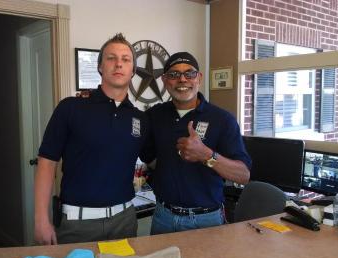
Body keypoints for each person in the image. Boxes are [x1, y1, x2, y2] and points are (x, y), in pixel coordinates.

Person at [34, 33, 148, 245]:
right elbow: (47, 162)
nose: (118, 64)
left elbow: (154, 160)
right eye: (111, 58)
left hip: (124, 222)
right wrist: (41, 219)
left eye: (125, 59)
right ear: (100, 67)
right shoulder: (71, 108)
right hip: (77, 225)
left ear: (133, 70)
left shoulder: (139, 119)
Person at [140, 52, 251, 235]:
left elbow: (243, 175)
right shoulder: (154, 116)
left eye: (189, 73)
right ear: (165, 80)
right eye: (174, 74)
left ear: (198, 78)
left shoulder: (222, 119)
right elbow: (148, 154)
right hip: (162, 216)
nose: (182, 79)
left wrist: (207, 155)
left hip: (206, 220)